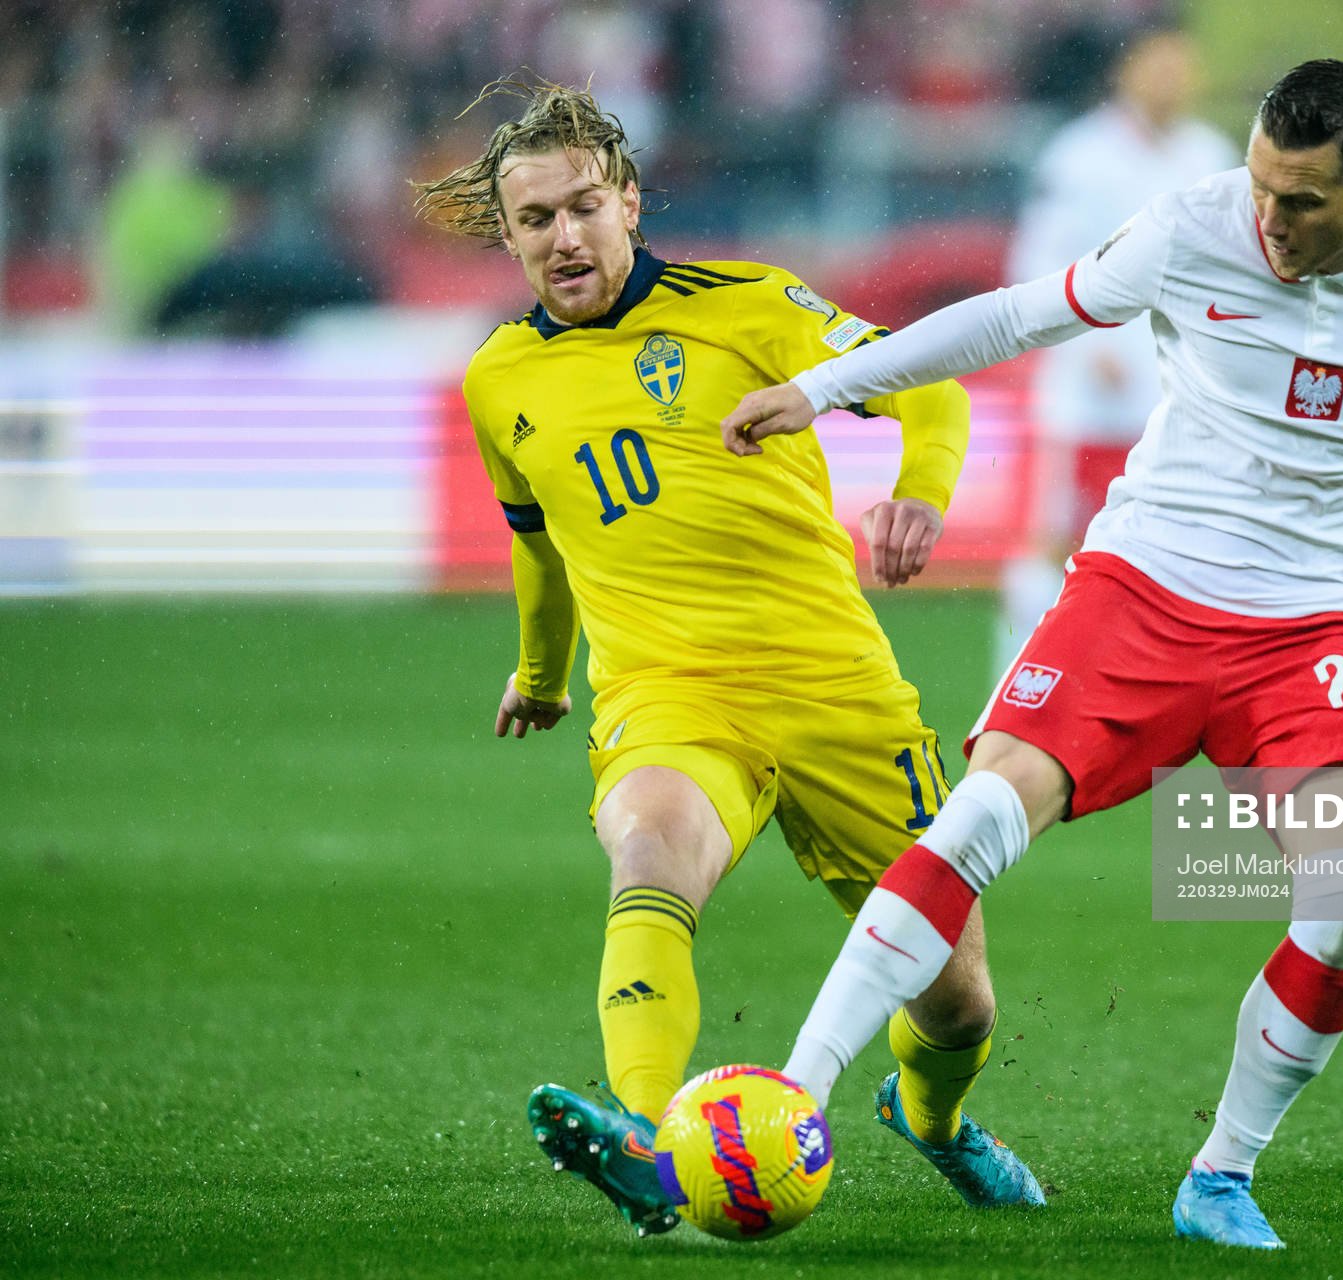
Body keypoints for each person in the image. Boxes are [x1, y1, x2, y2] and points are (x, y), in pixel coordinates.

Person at [720, 59, 1343, 1251]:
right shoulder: (1193, 227)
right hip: (1148, 579)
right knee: (977, 817)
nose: (1270, 221)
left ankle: (1222, 1172)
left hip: (1322, 614)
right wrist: (825, 386)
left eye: (1301, 203)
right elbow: (1015, 314)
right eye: (1260, 187)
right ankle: (795, 1095)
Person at [413, 80, 1043, 1239]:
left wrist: (919, 492)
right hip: (668, 695)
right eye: (536, 219)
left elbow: (930, 380)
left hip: (836, 690)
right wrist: (543, 676)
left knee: (955, 1000)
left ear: (632, 205)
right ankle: (649, 1141)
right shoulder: (499, 379)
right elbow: (538, 548)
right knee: (649, 849)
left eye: (584, 208)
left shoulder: (750, 304)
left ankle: (936, 1121)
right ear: (506, 236)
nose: (564, 237)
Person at [997, 24, 1237, 675]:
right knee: (1058, 542)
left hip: (1176, 398)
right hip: (1089, 398)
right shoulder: (1078, 156)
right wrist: (1085, 341)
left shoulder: (1210, 155)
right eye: (1157, 63)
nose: (1171, 78)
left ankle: (1142, 684)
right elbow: (1036, 262)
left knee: (1177, 546)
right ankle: (1012, 686)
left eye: (1181, 65)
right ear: (1125, 71)